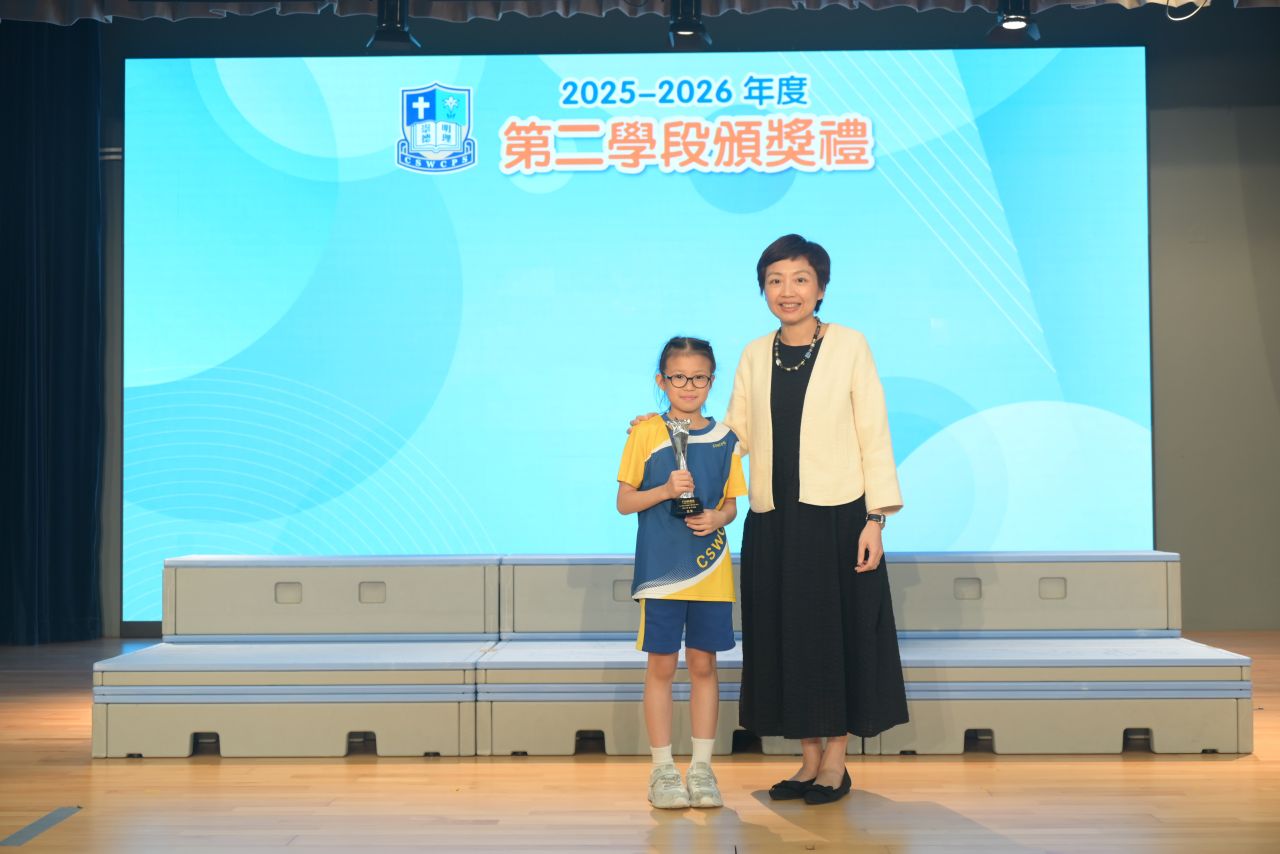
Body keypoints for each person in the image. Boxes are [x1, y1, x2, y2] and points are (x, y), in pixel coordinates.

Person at [725, 234, 908, 805]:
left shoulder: (850, 344)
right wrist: (672, 432)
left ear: (821, 288)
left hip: (839, 518)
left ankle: (836, 763)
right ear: (763, 289)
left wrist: (876, 518)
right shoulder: (755, 353)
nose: (788, 291)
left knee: (836, 638)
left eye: (800, 279)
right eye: (775, 280)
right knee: (787, 639)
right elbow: (735, 435)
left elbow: (874, 431)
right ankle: (807, 761)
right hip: (773, 521)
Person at [616, 336, 748, 810]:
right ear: (662, 380)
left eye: (699, 378)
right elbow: (624, 502)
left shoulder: (726, 438)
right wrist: (666, 490)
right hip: (661, 573)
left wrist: (716, 518)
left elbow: (731, 504)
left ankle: (703, 769)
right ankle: (662, 770)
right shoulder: (645, 433)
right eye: (678, 377)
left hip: (710, 569)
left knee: (704, 666)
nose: (688, 386)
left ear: (712, 381)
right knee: (662, 666)